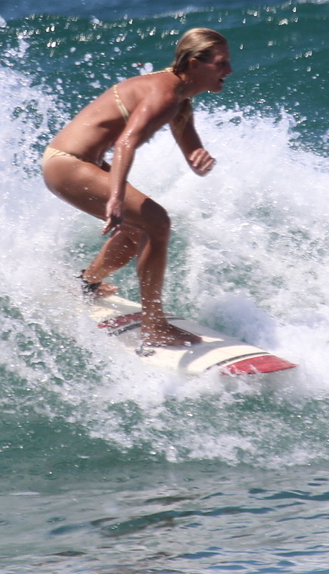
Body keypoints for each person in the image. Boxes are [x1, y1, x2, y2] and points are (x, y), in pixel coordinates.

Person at [41, 28, 232, 348]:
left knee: (137, 231)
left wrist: (201, 161)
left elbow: (192, 155)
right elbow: (126, 142)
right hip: (67, 164)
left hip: (74, 162)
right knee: (157, 222)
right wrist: (116, 198)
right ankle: (154, 326)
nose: (229, 70)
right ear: (195, 63)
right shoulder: (165, 95)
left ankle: (87, 285)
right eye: (221, 63)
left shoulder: (179, 98)